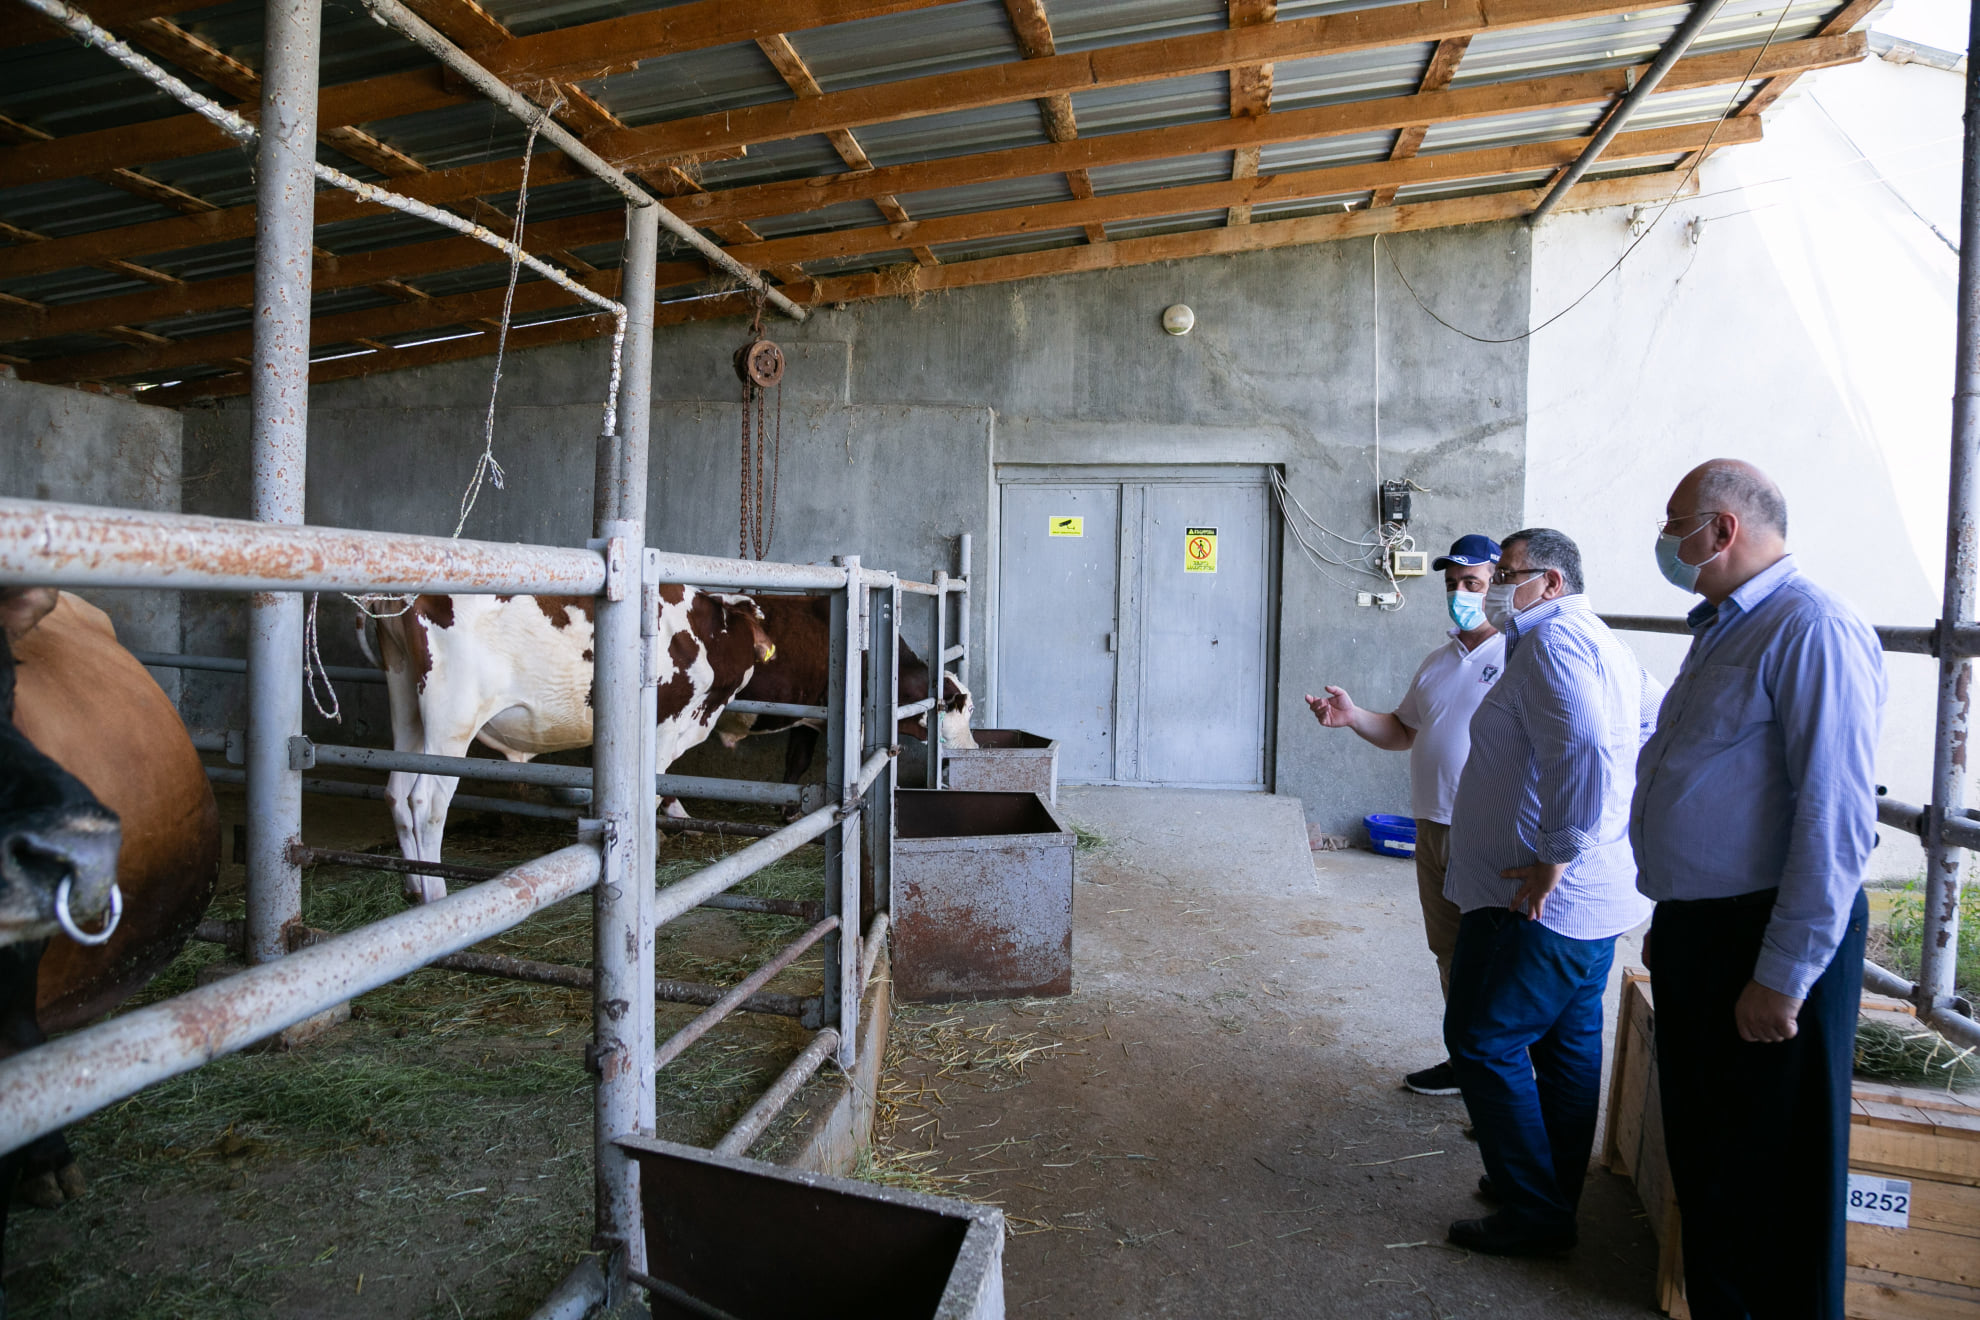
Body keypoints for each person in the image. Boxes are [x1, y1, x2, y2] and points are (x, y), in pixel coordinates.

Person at [1631, 460, 1883, 1318]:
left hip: (1764, 938)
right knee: (1711, 1169)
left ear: (1722, 529)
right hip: (1705, 932)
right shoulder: (1724, 626)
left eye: (1675, 526)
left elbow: (1834, 818)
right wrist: (1676, 913)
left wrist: (1782, 974)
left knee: (1777, 1187)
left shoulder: (1811, 627)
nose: (1668, 543)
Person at [1441, 528, 1662, 1256]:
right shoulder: (1599, 641)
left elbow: (1586, 745)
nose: (1496, 588)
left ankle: (1534, 1211)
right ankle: (1548, 1191)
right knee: (1567, 1046)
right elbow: (1648, 722)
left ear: (1553, 582)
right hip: (1590, 896)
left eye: (1507, 575)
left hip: (1540, 900)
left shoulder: (1555, 642)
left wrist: (1557, 853)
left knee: (1482, 1041)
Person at [1305, 534, 1507, 1096]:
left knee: (1494, 959)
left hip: (1487, 832)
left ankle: (1502, 1079)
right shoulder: (1438, 662)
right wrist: (1353, 717)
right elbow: (1402, 730)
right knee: (1449, 952)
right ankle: (1465, 1060)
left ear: (1499, 587)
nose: (1460, 594)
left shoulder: (1519, 656)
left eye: (1473, 583)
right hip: (1433, 827)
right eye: (1452, 585)